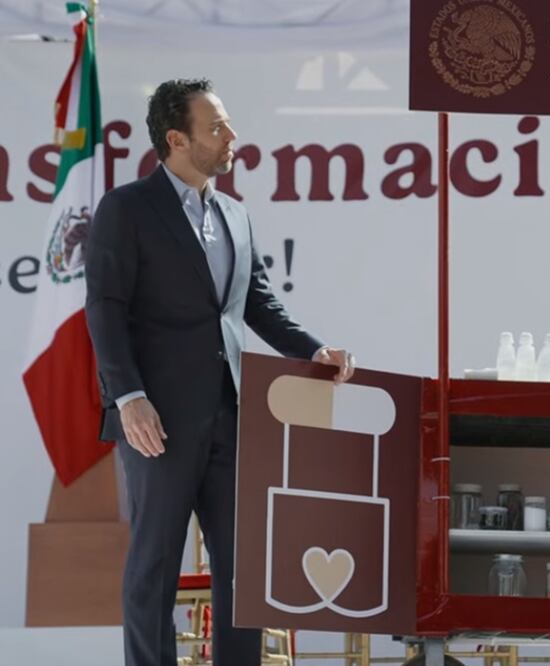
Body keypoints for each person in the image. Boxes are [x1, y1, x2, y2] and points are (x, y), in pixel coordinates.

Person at [85, 79, 356, 666]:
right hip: (155, 422)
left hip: (233, 418)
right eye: (217, 127)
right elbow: (105, 309)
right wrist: (128, 397)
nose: (233, 136)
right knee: (154, 568)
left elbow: (259, 304)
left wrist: (314, 351)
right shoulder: (126, 209)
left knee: (244, 572)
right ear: (176, 139)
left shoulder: (236, 214)